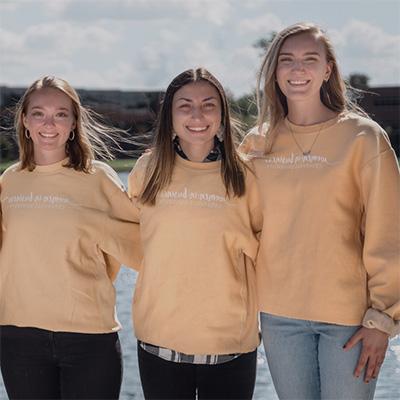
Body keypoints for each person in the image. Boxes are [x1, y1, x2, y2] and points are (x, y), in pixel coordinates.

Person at [239, 22, 400, 400]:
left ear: (328, 69)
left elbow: (389, 232)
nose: (298, 70)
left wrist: (383, 319)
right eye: (287, 60)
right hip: (279, 317)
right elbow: (240, 225)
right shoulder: (258, 143)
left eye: (310, 59)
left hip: (350, 318)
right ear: (275, 71)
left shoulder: (364, 137)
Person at [0, 76, 141, 400]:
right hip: (19, 338)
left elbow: (140, 244)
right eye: (39, 113)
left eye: (61, 114)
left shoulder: (98, 178)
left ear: (75, 122)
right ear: (24, 120)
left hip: (89, 337)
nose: (49, 123)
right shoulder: (9, 182)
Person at [128, 68, 262, 400]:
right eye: (185, 105)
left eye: (208, 104)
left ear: (222, 113)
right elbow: (132, 241)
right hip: (159, 337)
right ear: (169, 116)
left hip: (229, 341)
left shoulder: (247, 175)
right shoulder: (147, 171)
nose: (197, 115)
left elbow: (267, 251)